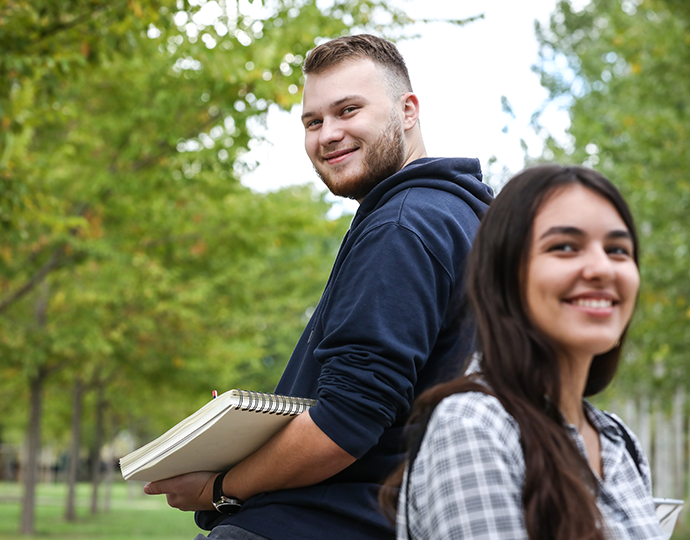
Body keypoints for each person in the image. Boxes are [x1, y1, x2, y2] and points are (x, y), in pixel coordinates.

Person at [143, 34, 493, 540]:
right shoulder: (459, 215)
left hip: (327, 521)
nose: (328, 134)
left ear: (408, 110)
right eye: (313, 121)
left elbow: (348, 420)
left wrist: (220, 486)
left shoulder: (401, 226)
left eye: (348, 110)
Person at [384, 165, 664, 540]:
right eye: (564, 246)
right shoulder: (473, 425)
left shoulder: (617, 440)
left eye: (618, 250)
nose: (601, 268)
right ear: (504, 277)